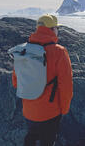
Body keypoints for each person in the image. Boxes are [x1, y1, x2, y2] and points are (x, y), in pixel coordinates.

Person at [12, 14, 73, 146]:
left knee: (31, 138)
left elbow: (16, 81)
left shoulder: (24, 50)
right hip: (50, 111)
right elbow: (66, 86)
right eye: (57, 28)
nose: (58, 31)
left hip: (28, 109)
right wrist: (64, 109)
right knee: (48, 142)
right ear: (52, 30)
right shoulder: (59, 52)